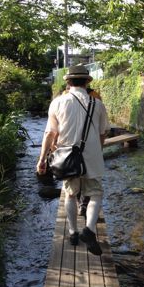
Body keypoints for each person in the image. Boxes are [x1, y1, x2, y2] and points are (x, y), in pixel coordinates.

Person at [37, 65, 110, 256]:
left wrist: (42, 159)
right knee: (95, 193)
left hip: (67, 157)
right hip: (92, 157)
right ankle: (90, 230)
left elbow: (50, 133)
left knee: (69, 194)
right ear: (87, 82)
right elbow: (103, 133)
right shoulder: (98, 105)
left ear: (68, 82)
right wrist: (96, 151)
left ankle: (72, 232)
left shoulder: (58, 103)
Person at [60, 84, 102, 217]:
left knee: (74, 178)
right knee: (90, 180)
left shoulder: (63, 98)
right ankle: (84, 205)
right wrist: (99, 148)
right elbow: (101, 126)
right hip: (90, 147)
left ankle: (80, 206)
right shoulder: (95, 97)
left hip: (70, 150)